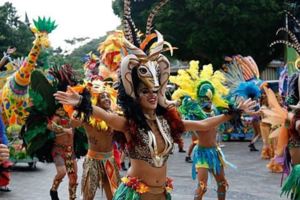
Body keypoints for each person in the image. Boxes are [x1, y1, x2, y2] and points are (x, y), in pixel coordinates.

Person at [54, 35, 254, 200]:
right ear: (135, 95)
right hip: (136, 196)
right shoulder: (129, 124)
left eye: (155, 91)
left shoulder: (168, 123)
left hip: (161, 195)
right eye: (145, 91)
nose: (151, 95)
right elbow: (107, 117)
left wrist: (232, 113)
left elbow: (203, 124)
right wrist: (81, 101)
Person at [69, 80, 121, 200]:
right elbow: (73, 123)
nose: (107, 99)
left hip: (109, 161)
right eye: (102, 97)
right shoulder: (88, 116)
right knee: (88, 196)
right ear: (96, 101)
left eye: (108, 96)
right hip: (93, 161)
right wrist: (77, 109)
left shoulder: (115, 116)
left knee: (115, 196)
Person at [48, 106, 78, 200]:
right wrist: (65, 130)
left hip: (70, 152)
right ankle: (53, 190)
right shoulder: (57, 117)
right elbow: (50, 125)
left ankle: (72, 197)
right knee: (62, 172)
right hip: (59, 151)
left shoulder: (74, 116)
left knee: (73, 178)